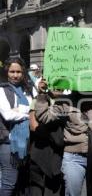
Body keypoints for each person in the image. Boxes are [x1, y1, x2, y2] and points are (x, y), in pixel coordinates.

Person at [34, 79, 92, 196]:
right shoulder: (65, 102)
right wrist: (42, 95)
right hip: (74, 158)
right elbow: (44, 116)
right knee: (72, 193)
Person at [0, 57, 33, 196]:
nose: (15, 75)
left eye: (18, 71)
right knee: (9, 183)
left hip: (27, 143)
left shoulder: (28, 90)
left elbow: (36, 108)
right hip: (9, 143)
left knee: (22, 183)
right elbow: (8, 115)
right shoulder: (2, 90)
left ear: (23, 72)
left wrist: (19, 109)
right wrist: (28, 113)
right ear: (6, 72)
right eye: (12, 71)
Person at [29, 86, 65, 196]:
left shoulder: (68, 102)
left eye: (60, 85)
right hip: (40, 147)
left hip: (58, 151)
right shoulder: (38, 99)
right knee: (36, 184)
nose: (58, 88)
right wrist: (47, 132)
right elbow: (33, 125)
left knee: (54, 186)